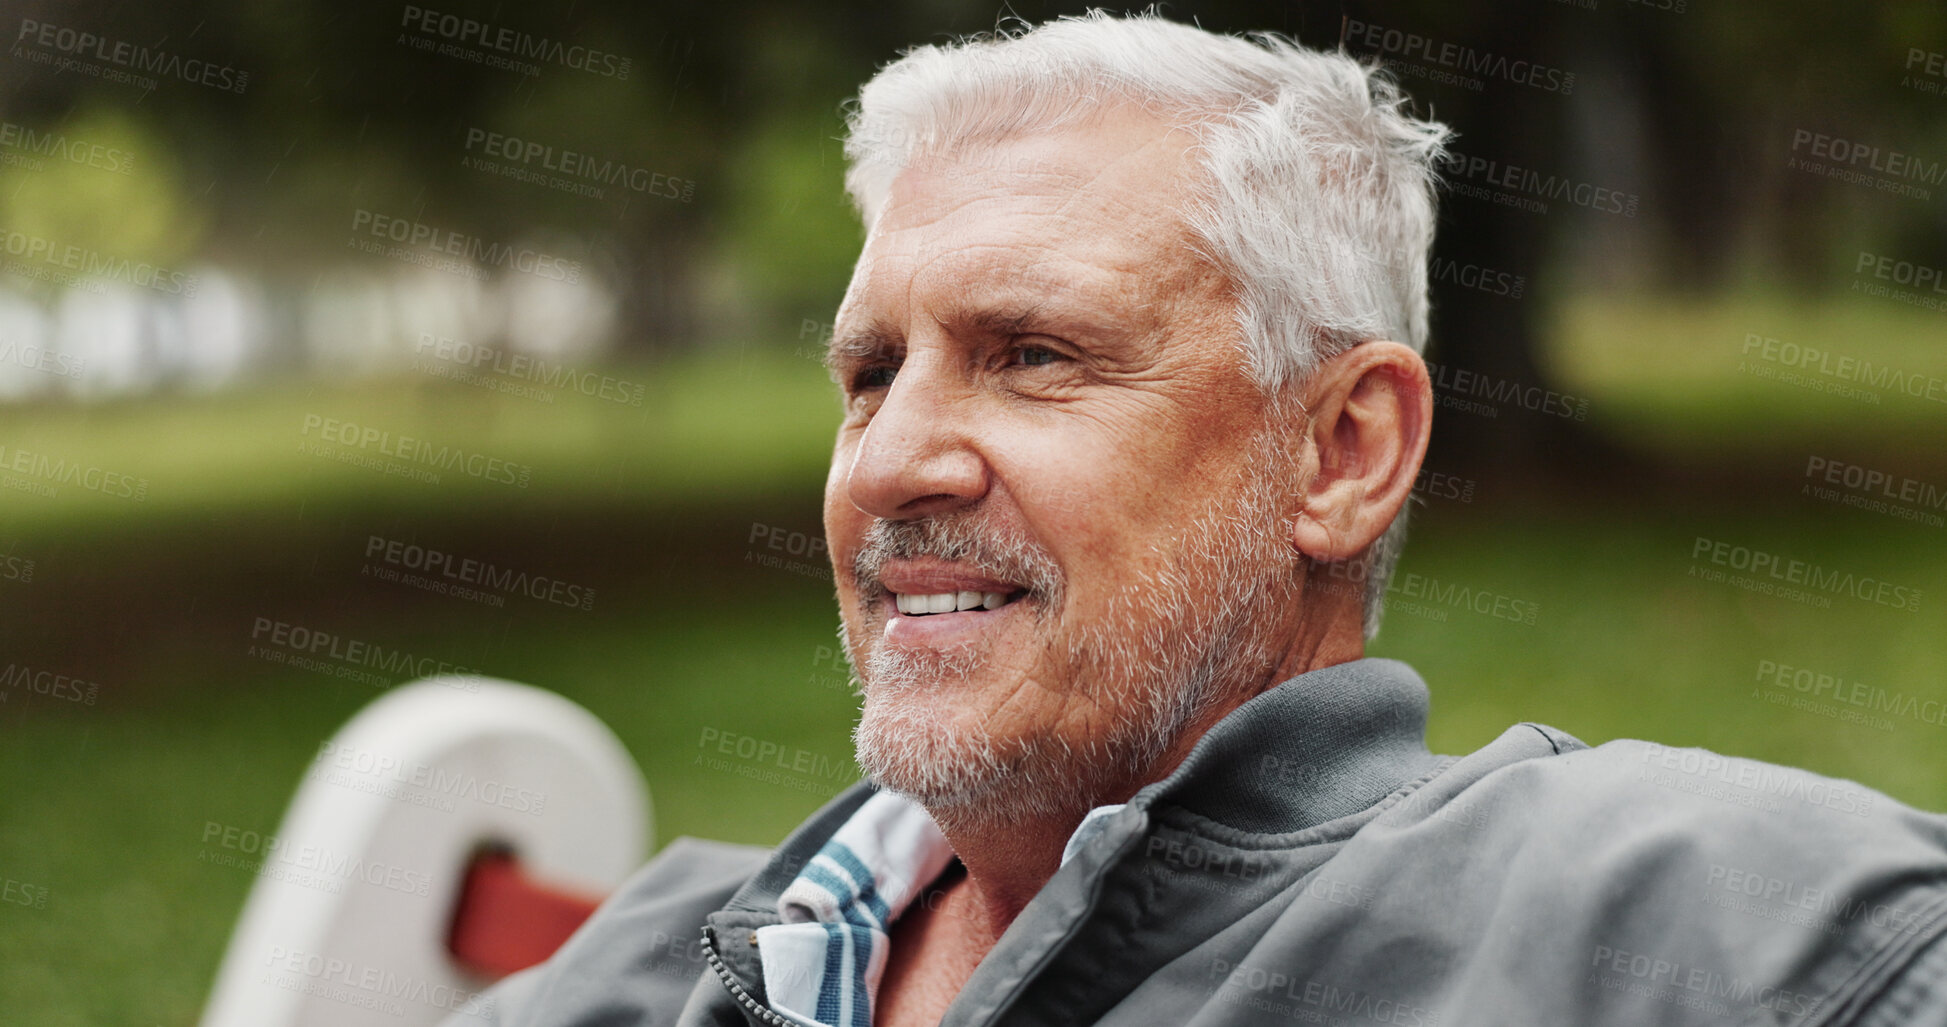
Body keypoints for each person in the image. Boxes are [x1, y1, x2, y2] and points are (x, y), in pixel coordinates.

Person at [447, 12, 1947, 1026]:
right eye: (870, 372)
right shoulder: (656, 965)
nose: (895, 459)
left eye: (1033, 355)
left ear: (1343, 451)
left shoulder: (1655, 915)